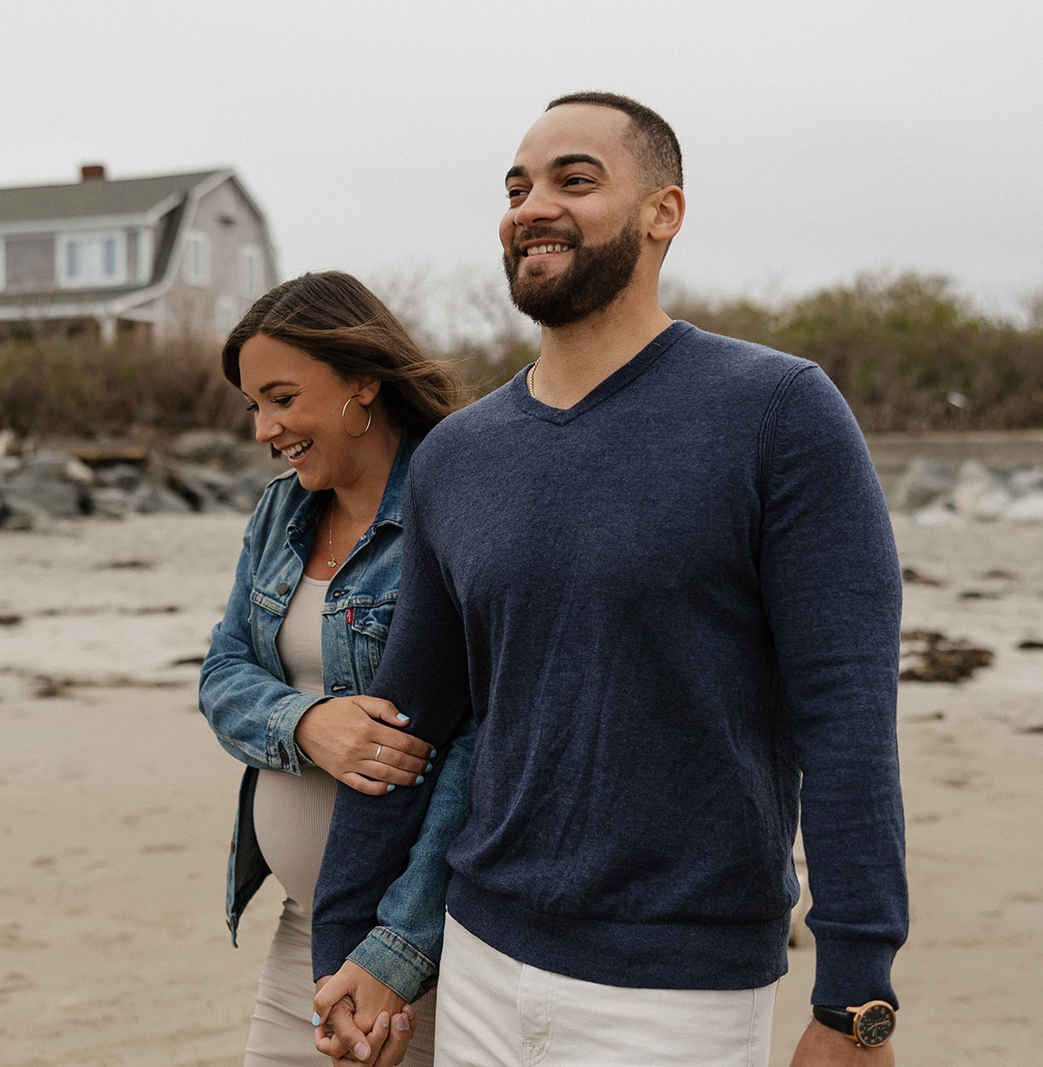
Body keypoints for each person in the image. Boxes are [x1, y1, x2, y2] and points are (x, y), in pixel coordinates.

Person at [309, 92, 908, 1066]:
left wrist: (855, 999)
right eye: (516, 185)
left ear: (662, 211)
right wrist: (347, 941)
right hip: (480, 962)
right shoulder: (459, 455)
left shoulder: (778, 412)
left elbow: (844, 713)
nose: (531, 204)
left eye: (573, 179)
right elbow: (405, 723)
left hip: (678, 988)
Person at [198, 271, 472, 1067]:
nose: (264, 428)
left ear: (363, 379)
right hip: (304, 927)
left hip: (417, 946)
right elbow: (223, 672)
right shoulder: (282, 510)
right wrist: (307, 724)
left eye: (282, 398)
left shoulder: (455, 503)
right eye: (255, 406)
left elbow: (483, 741)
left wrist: (398, 948)